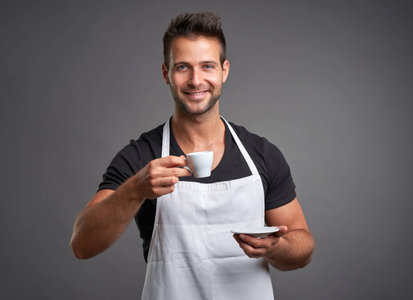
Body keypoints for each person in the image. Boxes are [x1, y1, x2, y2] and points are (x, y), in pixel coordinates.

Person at [71, 12, 315, 300]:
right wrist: (134, 190)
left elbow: (303, 245)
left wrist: (276, 248)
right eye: (183, 67)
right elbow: (82, 245)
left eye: (207, 66)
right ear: (166, 74)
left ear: (224, 70)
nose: (196, 80)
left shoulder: (261, 153)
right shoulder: (141, 156)